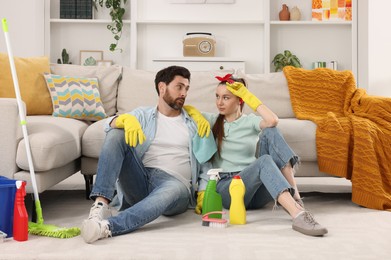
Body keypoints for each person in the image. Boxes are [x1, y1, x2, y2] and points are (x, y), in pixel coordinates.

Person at [80, 66, 212, 243]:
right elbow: (107, 127)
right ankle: (101, 204)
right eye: (179, 87)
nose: (184, 93)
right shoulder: (143, 115)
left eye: (186, 88)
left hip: (175, 183)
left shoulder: (195, 121)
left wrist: (203, 191)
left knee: (170, 190)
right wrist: (121, 119)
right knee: (117, 132)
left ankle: (107, 227)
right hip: (141, 178)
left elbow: (205, 160)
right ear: (162, 88)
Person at [190, 74, 328, 236]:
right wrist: (195, 114)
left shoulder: (249, 121)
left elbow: (273, 120)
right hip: (228, 188)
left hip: (253, 188)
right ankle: (298, 214)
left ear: (240, 100)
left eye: (226, 98)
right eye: (217, 97)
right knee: (264, 161)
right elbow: (182, 109)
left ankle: (295, 199)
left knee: (271, 131)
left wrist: (248, 95)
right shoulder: (213, 120)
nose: (219, 103)